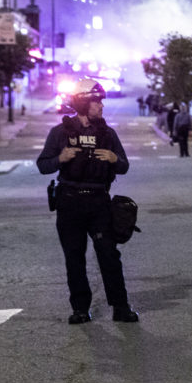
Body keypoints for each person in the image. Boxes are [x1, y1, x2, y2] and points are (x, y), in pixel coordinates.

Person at [35, 78, 138, 324]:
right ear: (83, 103)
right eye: (96, 101)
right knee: (74, 257)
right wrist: (61, 158)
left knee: (108, 255)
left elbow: (124, 166)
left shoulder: (107, 133)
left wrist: (114, 158)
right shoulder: (60, 133)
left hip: (99, 203)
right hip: (69, 202)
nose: (101, 106)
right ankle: (80, 309)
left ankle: (120, 307)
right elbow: (42, 165)